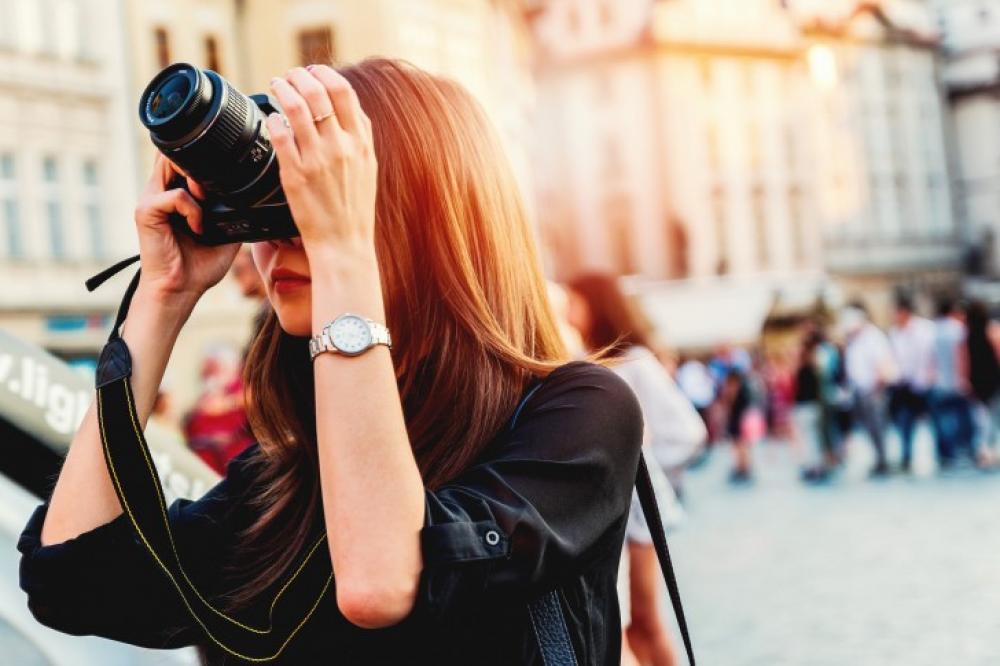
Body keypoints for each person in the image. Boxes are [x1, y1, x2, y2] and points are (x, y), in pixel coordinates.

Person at [17, 60, 646, 665]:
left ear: (428, 218)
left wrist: (343, 249)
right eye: (278, 202)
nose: (280, 238)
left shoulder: (576, 414)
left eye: (315, 201)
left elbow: (380, 583)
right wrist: (162, 297)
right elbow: (67, 580)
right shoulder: (287, 473)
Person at [565, 272, 705, 666]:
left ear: (597, 305)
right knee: (617, 627)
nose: (571, 312)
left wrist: (640, 464)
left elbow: (688, 433)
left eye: (576, 302)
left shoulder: (635, 362)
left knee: (644, 621)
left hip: (637, 511)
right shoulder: (580, 361)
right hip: (599, 512)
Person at [841, 302, 897, 477]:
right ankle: (878, 459)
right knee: (869, 427)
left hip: (872, 389)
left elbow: (882, 363)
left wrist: (878, 386)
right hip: (859, 389)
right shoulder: (854, 340)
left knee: (877, 426)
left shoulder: (873, 337)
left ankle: (883, 460)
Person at [887, 292, 935, 473]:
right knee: (904, 422)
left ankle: (943, 453)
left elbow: (929, 357)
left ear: (904, 312)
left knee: (933, 420)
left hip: (923, 383)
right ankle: (906, 456)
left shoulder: (924, 330)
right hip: (903, 384)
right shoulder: (894, 333)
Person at [929, 297, 974, 467]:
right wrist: (964, 378)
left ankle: (945, 453)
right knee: (961, 419)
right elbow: (961, 355)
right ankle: (963, 451)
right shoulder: (957, 329)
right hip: (956, 382)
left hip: (939, 382)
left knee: (942, 420)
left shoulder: (934, 329)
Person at [964, 300, 1000, 464]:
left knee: (982, 418)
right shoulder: (991, 331)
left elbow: (964, 361)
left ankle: (984, 450)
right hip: (993, 379)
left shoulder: (966, 335)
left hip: (976, 381)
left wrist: (966, 380)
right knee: (994, 416)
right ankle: (989, 449)